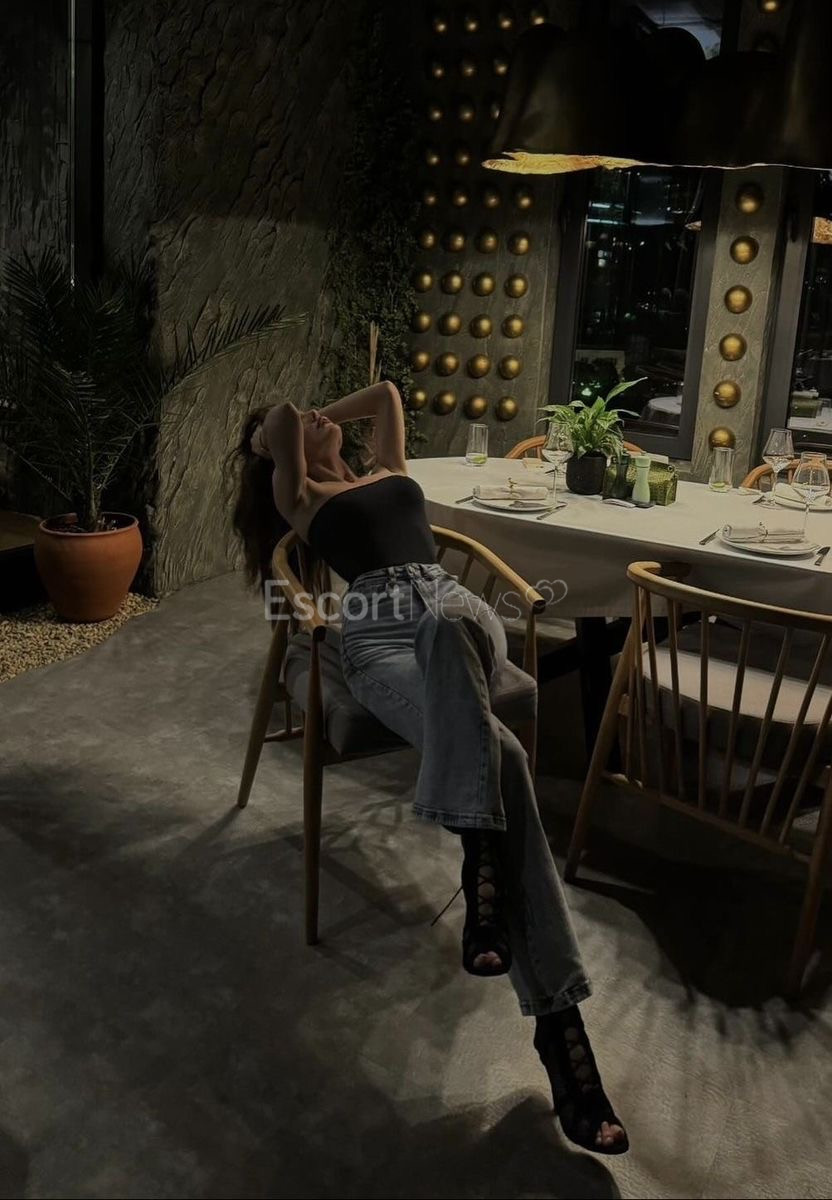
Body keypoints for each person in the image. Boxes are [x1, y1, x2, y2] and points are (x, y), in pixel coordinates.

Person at [231, 381, 627, 1155]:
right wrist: (290, 432)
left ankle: (480, 863)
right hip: (375, 635)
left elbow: (385, 394)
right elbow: (277, 418)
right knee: (503, 755)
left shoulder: (387, 469)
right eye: (302, 420)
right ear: (278, 455)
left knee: (447, 621)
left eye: (319, 413)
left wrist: (324, 422)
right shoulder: (299, 496)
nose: (314, 414)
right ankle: (563, 1035)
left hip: (457, 613)